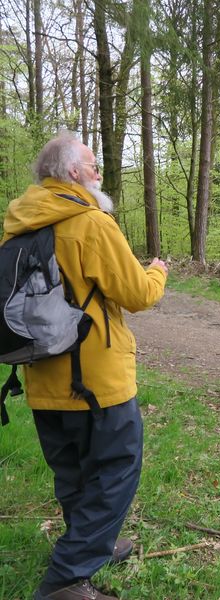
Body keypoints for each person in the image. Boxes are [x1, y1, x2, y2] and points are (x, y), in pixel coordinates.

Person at [5, 133, 168, 600]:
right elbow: (138, 294)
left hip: (40, 375)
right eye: (92, 165)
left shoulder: (18, 224)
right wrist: (157, 269)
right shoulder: (90, 223)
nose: (99, 173)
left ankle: (95, 543)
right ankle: (66, 579)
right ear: (72, 173)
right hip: (96, 379)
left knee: (73, 471)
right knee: (118, 468)